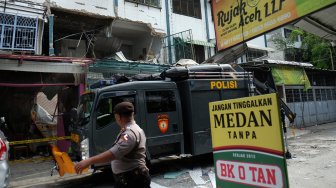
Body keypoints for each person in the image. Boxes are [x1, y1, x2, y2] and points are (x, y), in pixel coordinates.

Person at [74, 101, 151, 188]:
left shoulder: (128, 134)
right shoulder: (134, 129)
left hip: (133, 180)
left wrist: (88, 161)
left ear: (118, 117)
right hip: (132, 178)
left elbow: (113, 154)